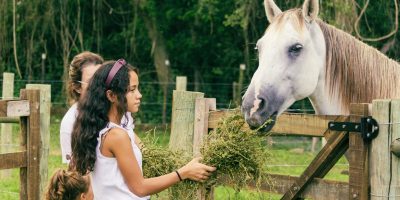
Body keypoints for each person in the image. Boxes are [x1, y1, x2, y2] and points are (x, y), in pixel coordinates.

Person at [70, 59, 216, 199]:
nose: (139, 95)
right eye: (132, 90)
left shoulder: (98, 128)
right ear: (111, 95)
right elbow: (140, 188)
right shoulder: (116, 136)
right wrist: (183, 173)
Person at [61, 52, 135, 164]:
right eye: (92, 81)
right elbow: (76, 171)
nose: (100, 85)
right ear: (77, 87)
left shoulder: (117, 107)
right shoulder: (70, 122)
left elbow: (134, 140)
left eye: (102, 79)